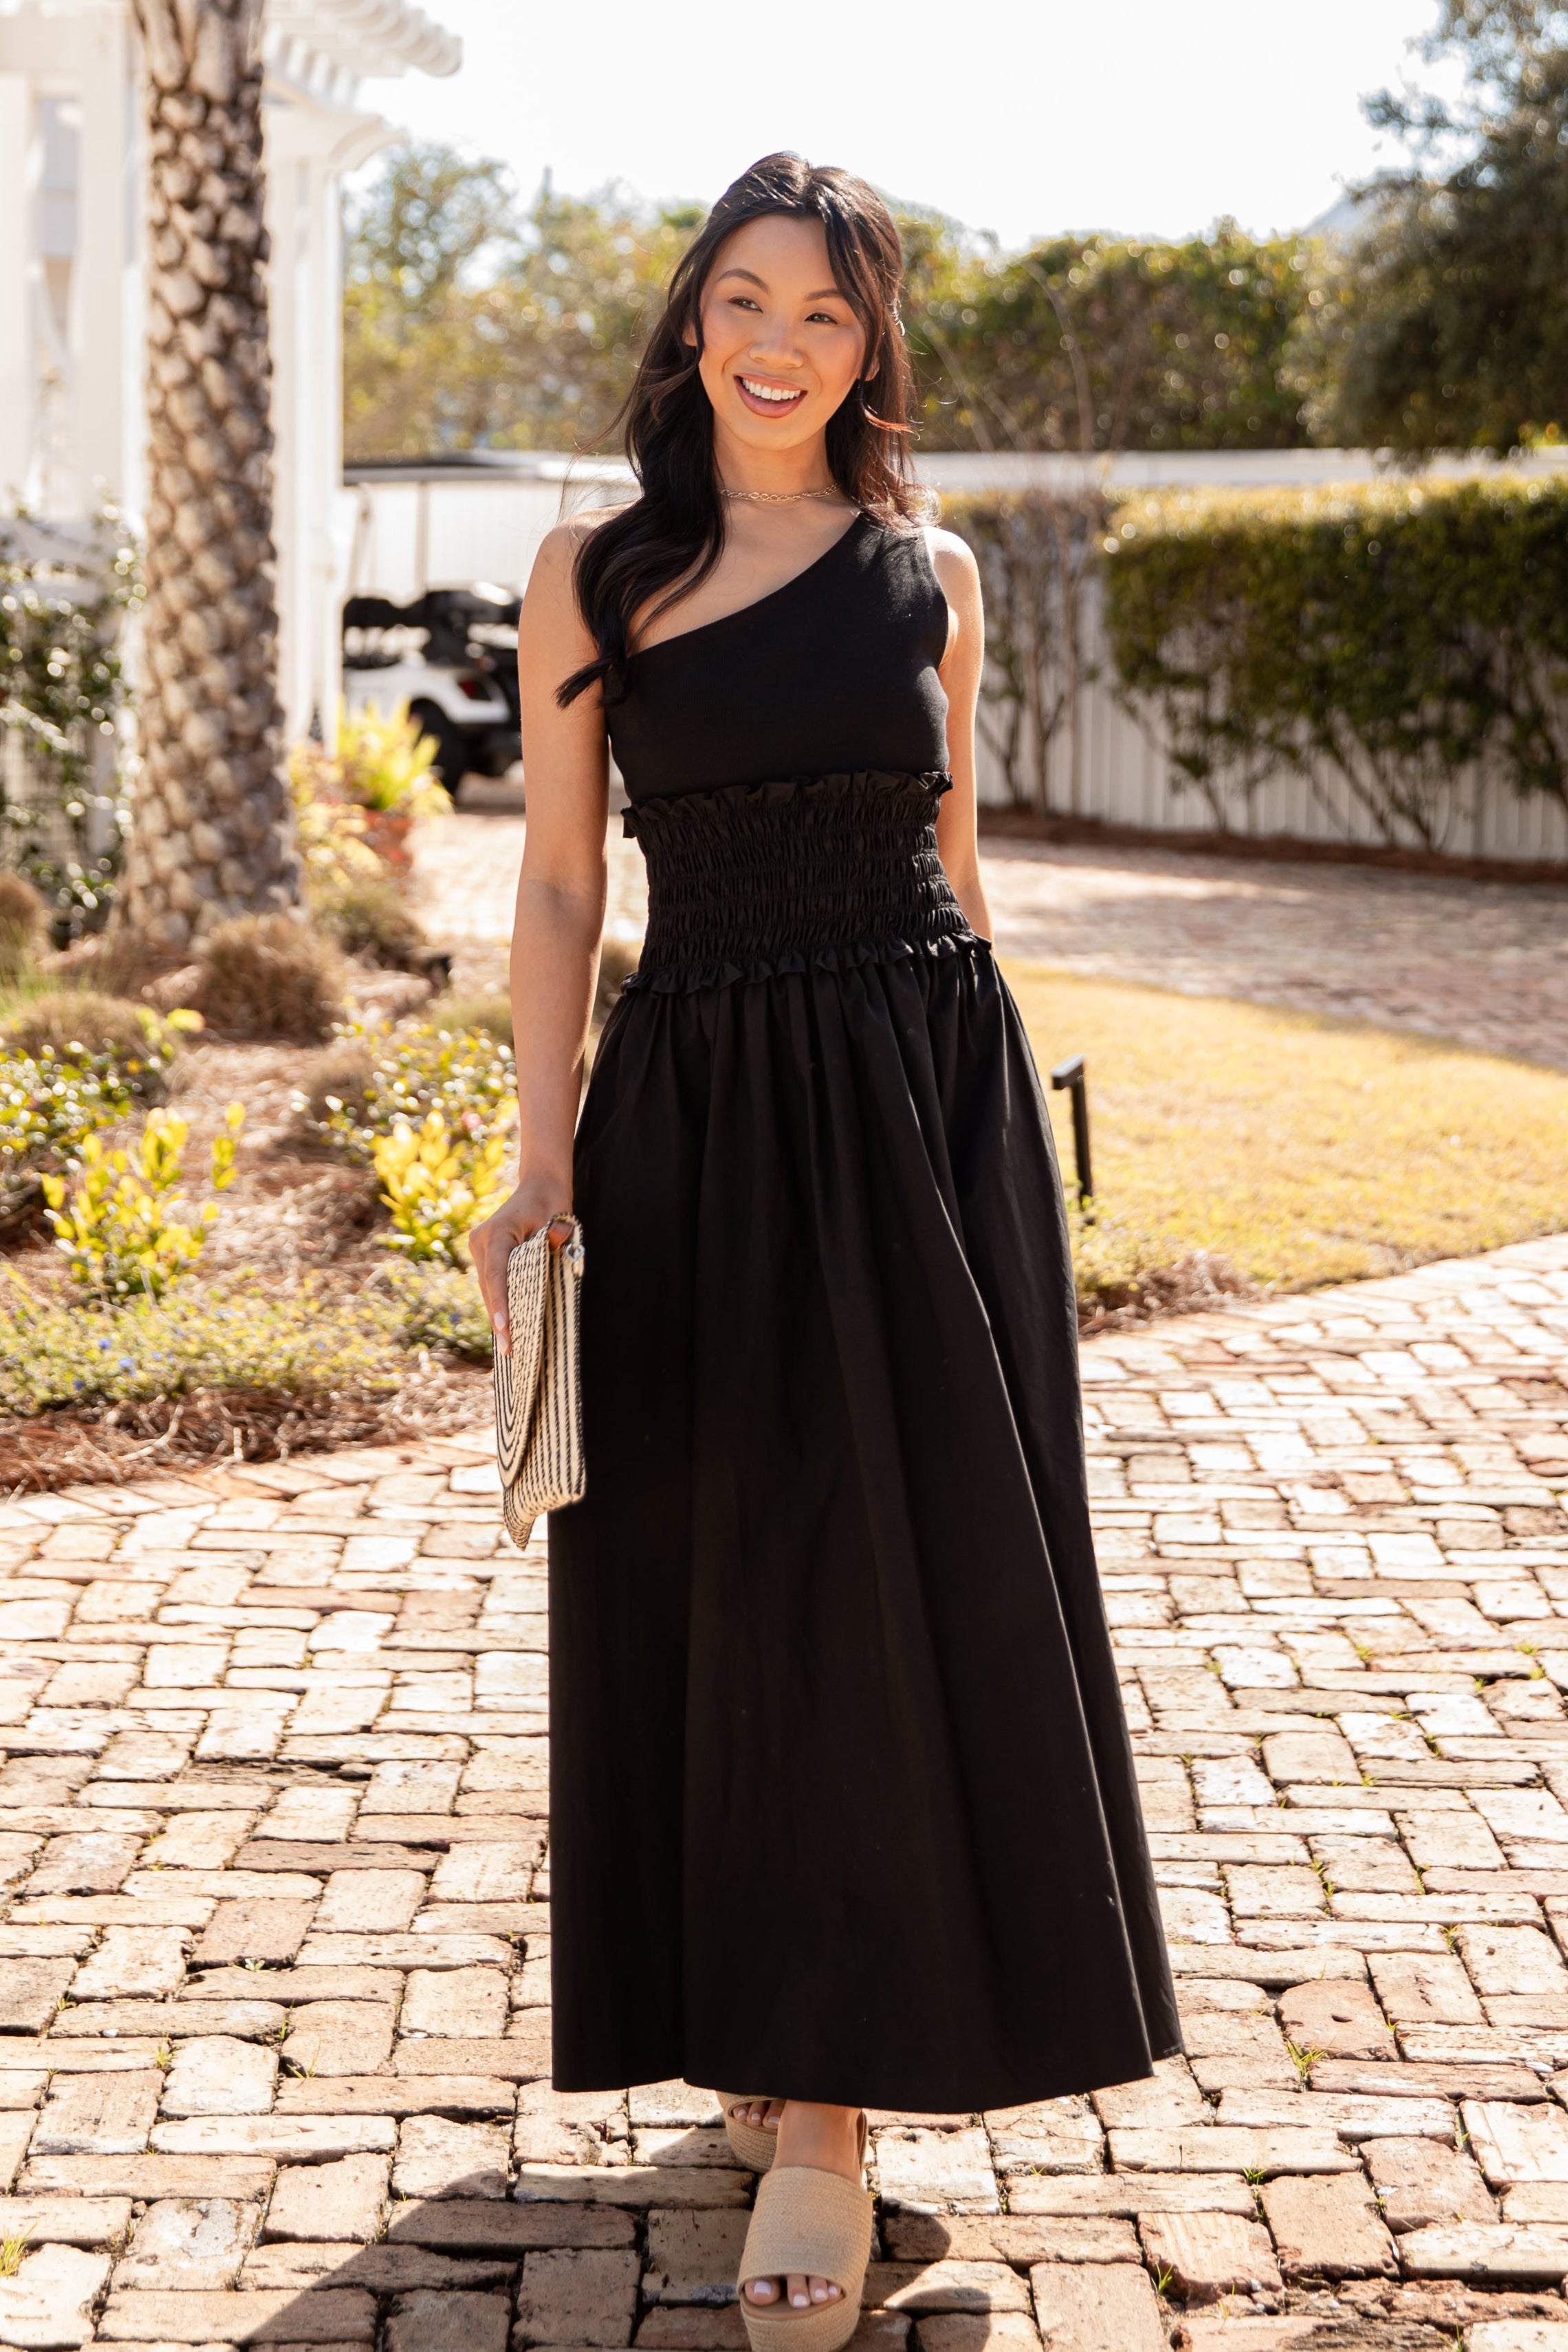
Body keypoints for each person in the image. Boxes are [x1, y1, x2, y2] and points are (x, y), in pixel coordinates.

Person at [470, 151, 1179, 2352]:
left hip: (922, 1107)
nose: (779, 342)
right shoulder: (596, 573)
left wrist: (1001, 1145)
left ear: (872, 347)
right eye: (744, 298)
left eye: (828, 312)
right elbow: (570, 891)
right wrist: (539, 1160)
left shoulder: (933, 572)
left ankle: (834, 2114)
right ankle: (781, 2032)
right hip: (695, 1113)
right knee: (733, 1577)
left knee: (912, 1576)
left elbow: (962, 871)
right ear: (692, 318)